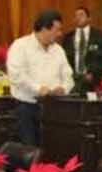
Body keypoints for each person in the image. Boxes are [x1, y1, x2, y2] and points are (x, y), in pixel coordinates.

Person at [6, 10, 74, 144]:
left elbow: (68, 76)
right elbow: (16, 75)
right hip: (27, 109)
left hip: (54, 110)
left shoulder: (58, 50)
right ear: (44, 29)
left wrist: (64, 88)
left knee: (55, 150)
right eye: (57, 30)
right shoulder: (20, 46)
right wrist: (38, 89)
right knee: (30, 150)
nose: (60, 34)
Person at [65, 5, 102, 86]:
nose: (78, 18)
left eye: (81, 15)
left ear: (89, 18)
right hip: (72, 79)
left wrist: (93, 73)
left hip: (93, 79)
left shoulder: (99, 35)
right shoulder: (68, 37)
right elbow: (65, 58)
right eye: (76, 16)